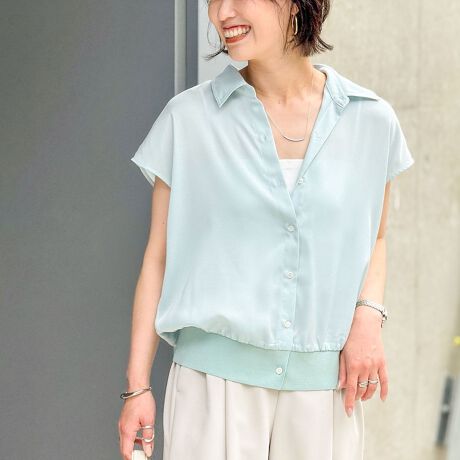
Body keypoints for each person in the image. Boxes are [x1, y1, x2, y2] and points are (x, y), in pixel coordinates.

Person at [118, 1, 415, 459]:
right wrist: (138, 386)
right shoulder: (189, 119)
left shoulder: (371, 121)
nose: (222, 12)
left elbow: (375, 236)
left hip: (325, 391)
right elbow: (158, 256)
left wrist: (368, 318)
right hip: (213, 389)